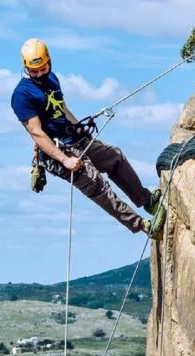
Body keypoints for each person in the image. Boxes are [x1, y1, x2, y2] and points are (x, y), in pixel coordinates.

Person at [10, 38, 166, 238]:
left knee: (114, 157)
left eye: (43, 68)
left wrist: (79, 128)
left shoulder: (52, 79)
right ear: (26, 67)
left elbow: (62, 108)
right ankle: (144, 226)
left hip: (74, 139)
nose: (40, 73)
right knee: (97, 186)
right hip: (59, 152)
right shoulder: (22, 95)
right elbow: (37, 133)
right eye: (35, 71)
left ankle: (147, 201)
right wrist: (65, 160)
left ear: (49, 61)